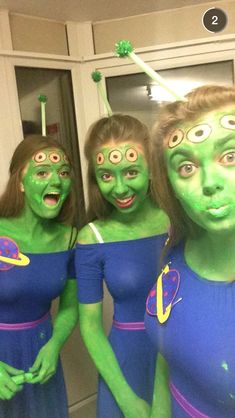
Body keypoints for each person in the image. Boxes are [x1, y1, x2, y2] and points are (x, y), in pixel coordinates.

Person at [145, 84, 235, 418]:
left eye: (230, 156)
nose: (210, 181)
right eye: (186, 167)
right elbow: (166, 359)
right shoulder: (176, 251)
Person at [75, 114, 169, 418]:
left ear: (151, 169)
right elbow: (89, 325)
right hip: (124, 362)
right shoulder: (93, 237)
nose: (119, 188)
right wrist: (125, 398)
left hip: (180, 354)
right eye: (106, 176)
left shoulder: (176, 220)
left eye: (130, 172)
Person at [0, 134, 79, 418]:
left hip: (42, 353)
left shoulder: (71, 238)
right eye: (42, 172)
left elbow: (70, 306)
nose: (56, 181)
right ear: (20, 182)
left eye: (63, 172)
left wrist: (54, 345)